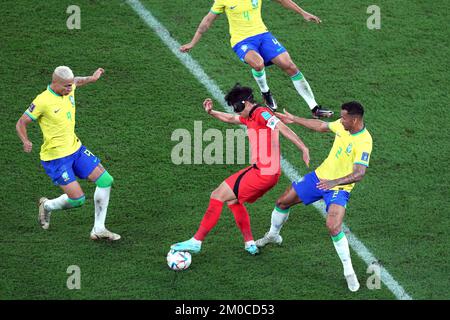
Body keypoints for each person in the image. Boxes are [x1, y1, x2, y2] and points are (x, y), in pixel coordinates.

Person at [171, 83, 310, 255]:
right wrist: (211, 112)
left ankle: (196, 241)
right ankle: (249, 243)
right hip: (265, 172)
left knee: (217, 195)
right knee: (233, 200)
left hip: (262, 173)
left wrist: (303, 148)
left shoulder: (262, 113)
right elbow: (231, 119)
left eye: (236, 108)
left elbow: (282, 127)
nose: (236, 112)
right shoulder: (250, 115)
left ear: (244, 103)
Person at [255, 102, 372, 292]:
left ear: (355, 119)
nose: (340, 120)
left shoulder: (364, 141)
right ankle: (273, 235)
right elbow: (320, 126)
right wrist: (294, 119)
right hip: (319, 177)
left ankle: (348, 271)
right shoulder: (343, 126)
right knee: (282, 202)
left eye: (344, 118)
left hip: (339, 188)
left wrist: (335, 182)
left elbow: (359, 173)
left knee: (333, 226)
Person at [15, 66, 120, 241]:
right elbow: (21, 122)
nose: (70, 89)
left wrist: (92, 78)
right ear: (55, 83)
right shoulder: (42, 101)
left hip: (76, 149)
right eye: (66, 86)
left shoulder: (70, 87)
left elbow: (77, 80)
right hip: (56, 158)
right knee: (77, 200)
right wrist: (25, 141)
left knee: (106, 180)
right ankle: (47, 205)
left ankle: (98, 229)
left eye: (71, 86)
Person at [180, 0, 333, 118]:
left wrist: (302, 12)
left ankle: (315, 108)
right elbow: (207, 21)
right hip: (242, 41)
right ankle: (266, 92)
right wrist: (193, 42)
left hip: (263, 35)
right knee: (258, 63)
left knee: (290, 66)